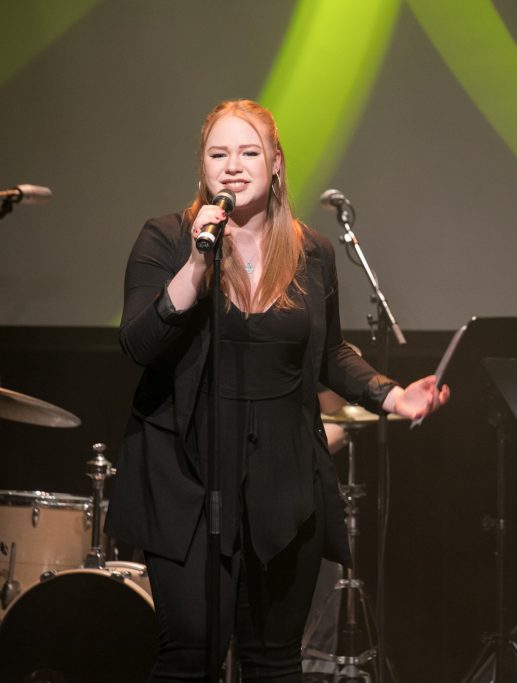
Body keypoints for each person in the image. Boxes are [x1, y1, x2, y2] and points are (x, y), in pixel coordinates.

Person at [105, 99, 449, 681]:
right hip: (187, 474)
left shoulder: (311, 251)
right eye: (218, 154)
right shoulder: (166, 238)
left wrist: (393, 396)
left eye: (248, 152)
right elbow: (138, 343)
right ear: (203, 166)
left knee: (274, 659)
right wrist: (196, 267)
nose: (233, 166)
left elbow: (329, 353)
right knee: (189, 655)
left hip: (282, 476)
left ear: (276, 164)